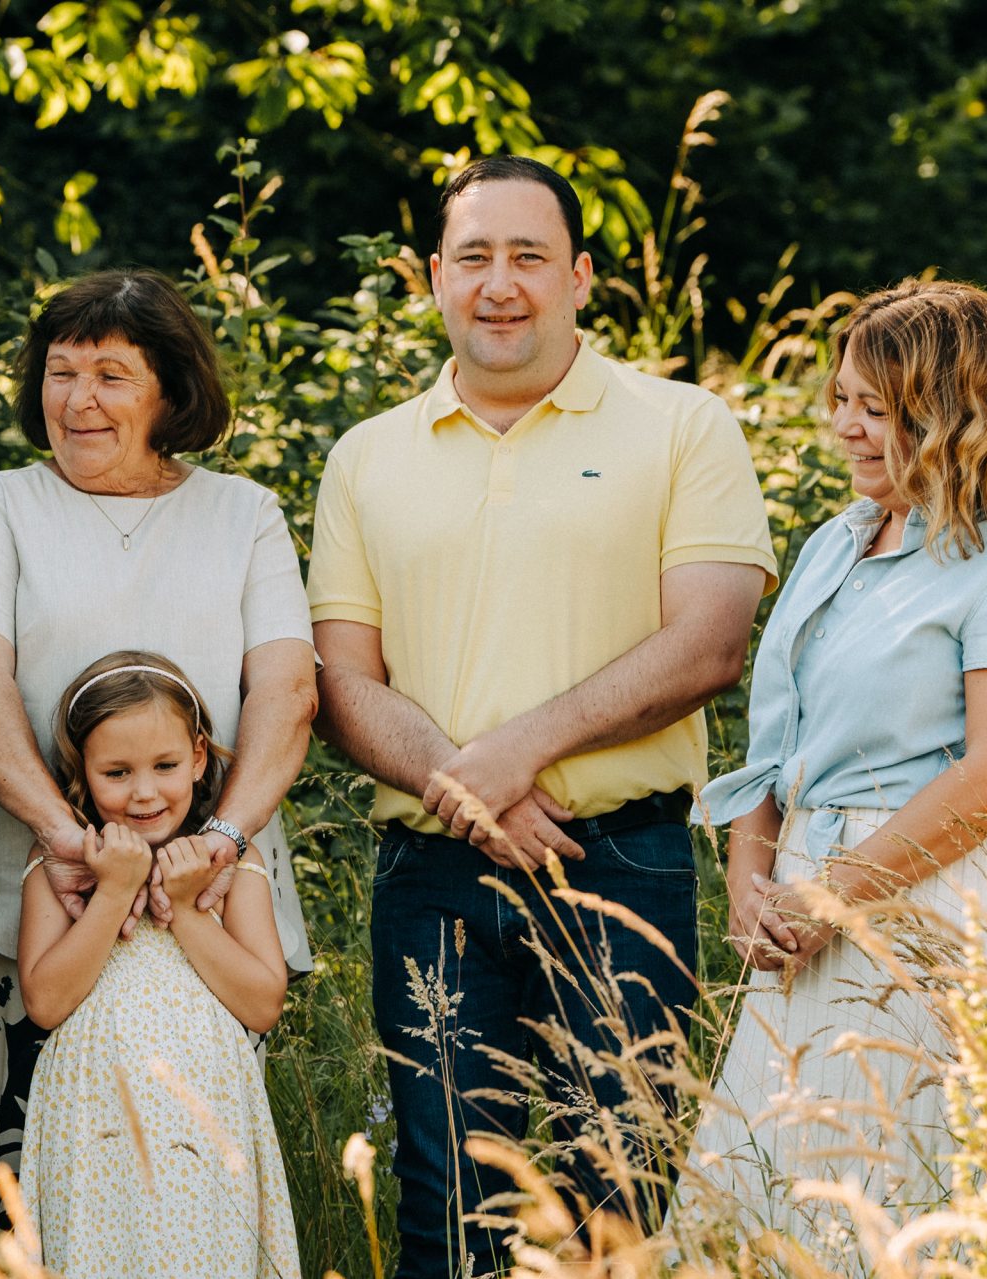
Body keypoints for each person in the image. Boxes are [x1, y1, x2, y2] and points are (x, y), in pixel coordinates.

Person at [307, 155, 775, 1272]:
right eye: (473, 257)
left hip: (623, 864)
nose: (499, 283)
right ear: (433, 278)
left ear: (579, 276)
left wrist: (514, 753)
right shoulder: (366, 457)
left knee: (615, 1201)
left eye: (527, 256)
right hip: (429, 879)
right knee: (447, 1206)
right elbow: (339, 683)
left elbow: (708, 640)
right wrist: (471, 799)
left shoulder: (682, 426)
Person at [683, 279, 987, 1268]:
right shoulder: (834, 542)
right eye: (842, 401)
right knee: (760, 1199)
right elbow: (773, 753)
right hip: (799, 901)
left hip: (927, 904)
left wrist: (838, 896)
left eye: (876, 408)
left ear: (949, 414)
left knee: (902, 1206)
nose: (846, 428)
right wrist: (750, 882)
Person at [0, 269, 317, 1169]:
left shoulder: (244, 514)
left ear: (171, 391)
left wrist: (218, 841)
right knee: (44, 1179)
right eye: (60, 373)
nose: (78, 399)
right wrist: (72, 843)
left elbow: (288, 692)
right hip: (48, 899)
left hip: (215, 899)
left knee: (198, 1171)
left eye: (111, 375)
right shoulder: (1, 506)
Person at [17, 652, 300, 1279]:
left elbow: (262, 1003)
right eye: (116, 772)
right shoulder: (61, 867)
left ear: (198, 757)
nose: (144, 792)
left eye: (166, 766)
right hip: (93, 1123)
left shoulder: (227, 868)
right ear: (82, 773)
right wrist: (115, 891)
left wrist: (188, 908)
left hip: (207, 1117)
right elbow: (45, 1000)